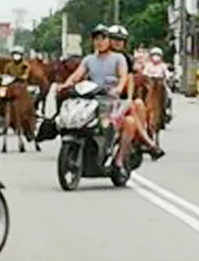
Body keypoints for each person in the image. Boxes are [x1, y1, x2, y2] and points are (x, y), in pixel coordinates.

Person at [59, 24, 148, 176]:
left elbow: (124, 77)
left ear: (109, 41)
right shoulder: (89, 60)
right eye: (97, 39)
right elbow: (76, 75)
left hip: (112, 101)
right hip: (92, 99)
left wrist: (118, 88)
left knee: (128, 124)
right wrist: (65, 85)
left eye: (103, 38)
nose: (100, 42)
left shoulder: (118, 58)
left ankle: (118, 160)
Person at [107, 25, 165, 159]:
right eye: (114, 39)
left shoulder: (128, 60)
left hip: (120, 98)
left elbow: (132, 78)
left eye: (120, 40)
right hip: (99, 98)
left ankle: (144, 139)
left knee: (138, 104)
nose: (117, 42)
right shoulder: (96, 57)